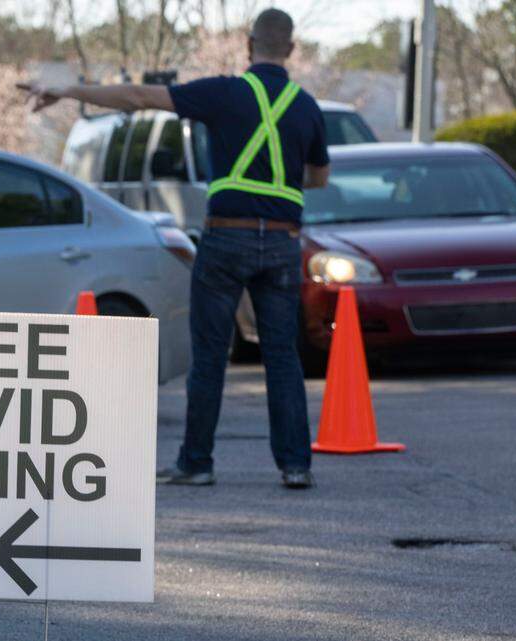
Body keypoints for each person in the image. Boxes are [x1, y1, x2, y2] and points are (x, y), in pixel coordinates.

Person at [18, 8, 329, 489]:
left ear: (249, 46)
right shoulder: (306, 107)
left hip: (227, 236)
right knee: (282, 355)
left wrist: (69, 91)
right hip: (282, 242)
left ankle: (197, 463)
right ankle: (295, 465)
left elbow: (139, 96)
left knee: (210, 354)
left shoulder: (223, 93)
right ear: (290, 49)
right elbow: (319, 177)